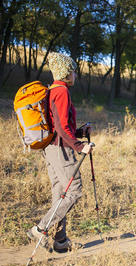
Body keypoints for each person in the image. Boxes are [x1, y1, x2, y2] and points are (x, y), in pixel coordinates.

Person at [26, 52, 92, 253]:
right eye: (73, 71)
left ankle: (60, 241)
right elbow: (62, 128)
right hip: (61, 150)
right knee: (74, 191)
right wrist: (80, 146)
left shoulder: (52, 90)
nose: (75, 75)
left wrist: (80, 132)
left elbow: (58, 127)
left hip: (51, 148)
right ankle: (40, 229)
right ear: (65, 72)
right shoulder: (62, 91)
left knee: (60, 194)